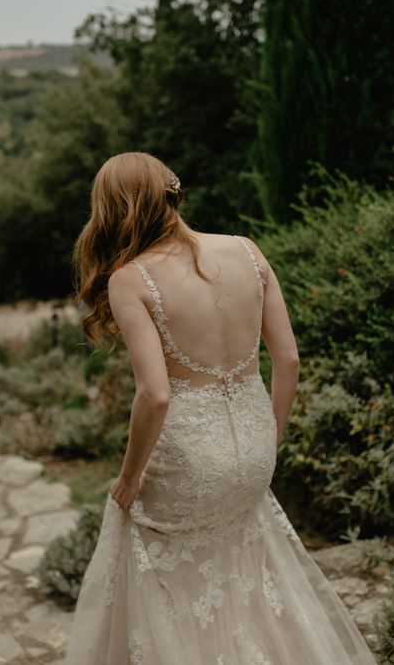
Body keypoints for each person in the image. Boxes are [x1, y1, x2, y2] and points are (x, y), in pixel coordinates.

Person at [65, 152, 377, 664]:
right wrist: (269, 438)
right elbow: (290, 360)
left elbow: (156, 394)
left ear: (114, 210)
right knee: (246, 576)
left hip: (187, 467)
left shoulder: (130, 280)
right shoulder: (247, 252)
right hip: (254, 451)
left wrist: (127, 478)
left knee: (156, 569)